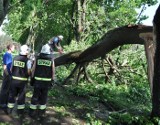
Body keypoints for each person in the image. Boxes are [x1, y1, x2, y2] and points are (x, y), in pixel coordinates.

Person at [29, 44, 55, 118]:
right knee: (44, 96)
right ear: (48, 51)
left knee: (35, 96)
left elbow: (33, 68)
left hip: (37, 81)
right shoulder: (51, 59)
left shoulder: (37, 58)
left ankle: (32, 112)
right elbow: (53, 70)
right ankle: (41, 112)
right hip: (46, 82)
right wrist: (53, 79)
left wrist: (32, 77)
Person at [7, 45, 31, 115]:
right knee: (21, 96)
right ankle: (20, 112)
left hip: (13, 81)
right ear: (26, 52)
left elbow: (11, 69)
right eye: (27, 51)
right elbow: (29, 72)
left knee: (12, 95)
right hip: (22, 82)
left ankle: (9, 110)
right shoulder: (28, 61)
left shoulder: (15, 58)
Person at [0, 44, 15, 111]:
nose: (14, 48)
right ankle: (2, 103)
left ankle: (5, 102)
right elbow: (5, 66)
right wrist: (7, 74)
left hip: (9, 74)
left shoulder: (10, 55)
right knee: (4, 89)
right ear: (10, 48)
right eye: (13, 47)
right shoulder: (6, 55)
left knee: (7, 89)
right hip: (7, 74)